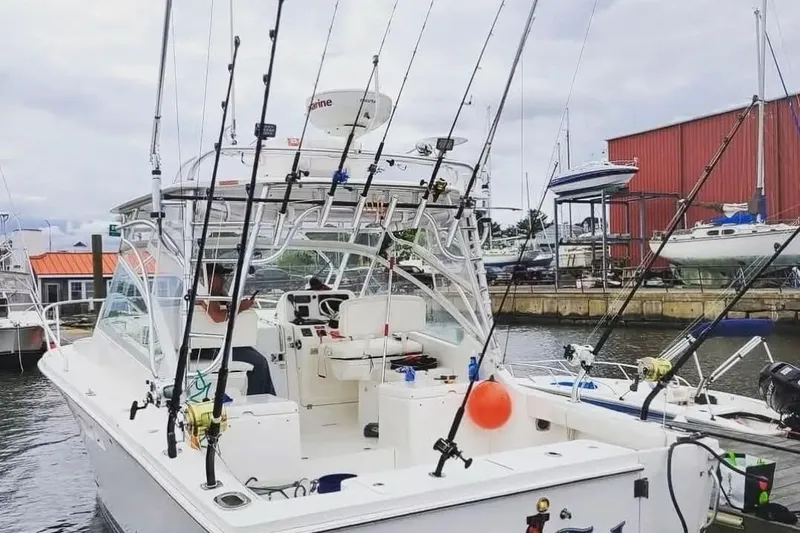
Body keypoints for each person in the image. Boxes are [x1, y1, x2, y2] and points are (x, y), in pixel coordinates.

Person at [200, 263, 276, 396]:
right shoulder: (209, 295)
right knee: (259, 362)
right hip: (211, 349)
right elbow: (217, 317)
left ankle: (266, 397)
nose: (224, 279)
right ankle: (257, 399)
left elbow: (226, 306)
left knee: (260, 358)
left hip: (218, 345)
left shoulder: (213, 294)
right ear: (210, 277)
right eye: (220, 276)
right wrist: (241, 307)